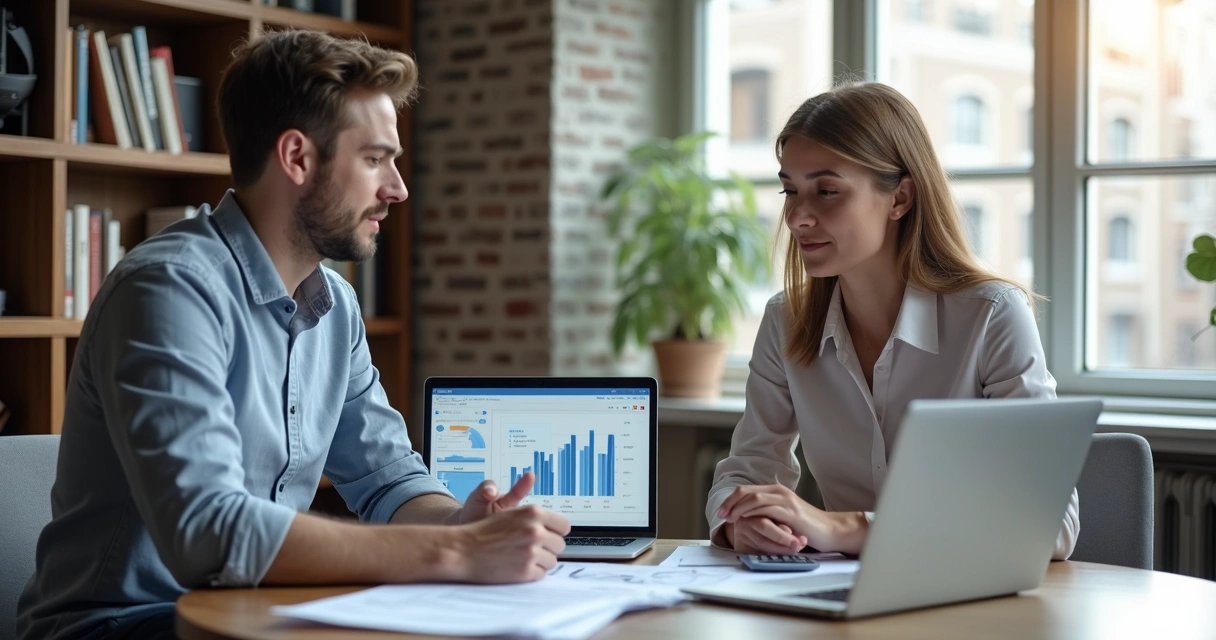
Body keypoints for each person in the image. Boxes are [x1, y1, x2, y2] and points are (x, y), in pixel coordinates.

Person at [17, 30, 569, 640]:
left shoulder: (336, 307)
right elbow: (210, 534)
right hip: (123, 625)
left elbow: (389, 479)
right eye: (375, 159)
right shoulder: (168, 290)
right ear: (297, 158)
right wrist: (457, 553)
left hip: (255, 614)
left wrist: (461, 523)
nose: (397, 188)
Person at [707, 82, 1077, 560]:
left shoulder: (992, 315)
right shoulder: (786, 320)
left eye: (826, 191)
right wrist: (743, 523)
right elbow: (746, 470)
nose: (796, 216)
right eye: (790, 190)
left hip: (966, 593)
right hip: (837, 596)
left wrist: (845, 528)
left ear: (900, 198)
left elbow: (1052, 524)